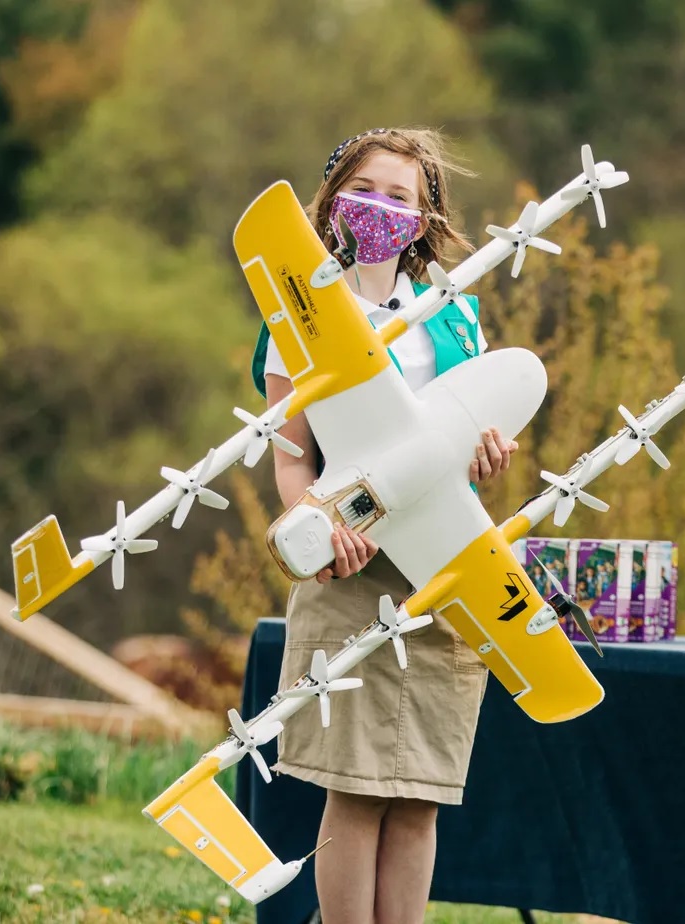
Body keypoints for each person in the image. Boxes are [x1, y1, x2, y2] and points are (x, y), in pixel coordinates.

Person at [251, 126, 519, 924]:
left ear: (425, 216)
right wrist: (317, 527)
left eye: (400, 197)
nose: (380, 209)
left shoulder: (455, 316)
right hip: (350, 569)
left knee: (418, 799)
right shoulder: (298, 314)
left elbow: (465, 436)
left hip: (438, 573)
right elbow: (290, 456)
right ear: (332, 202)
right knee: (358, 790)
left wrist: (488, 454)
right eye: (365, 191)